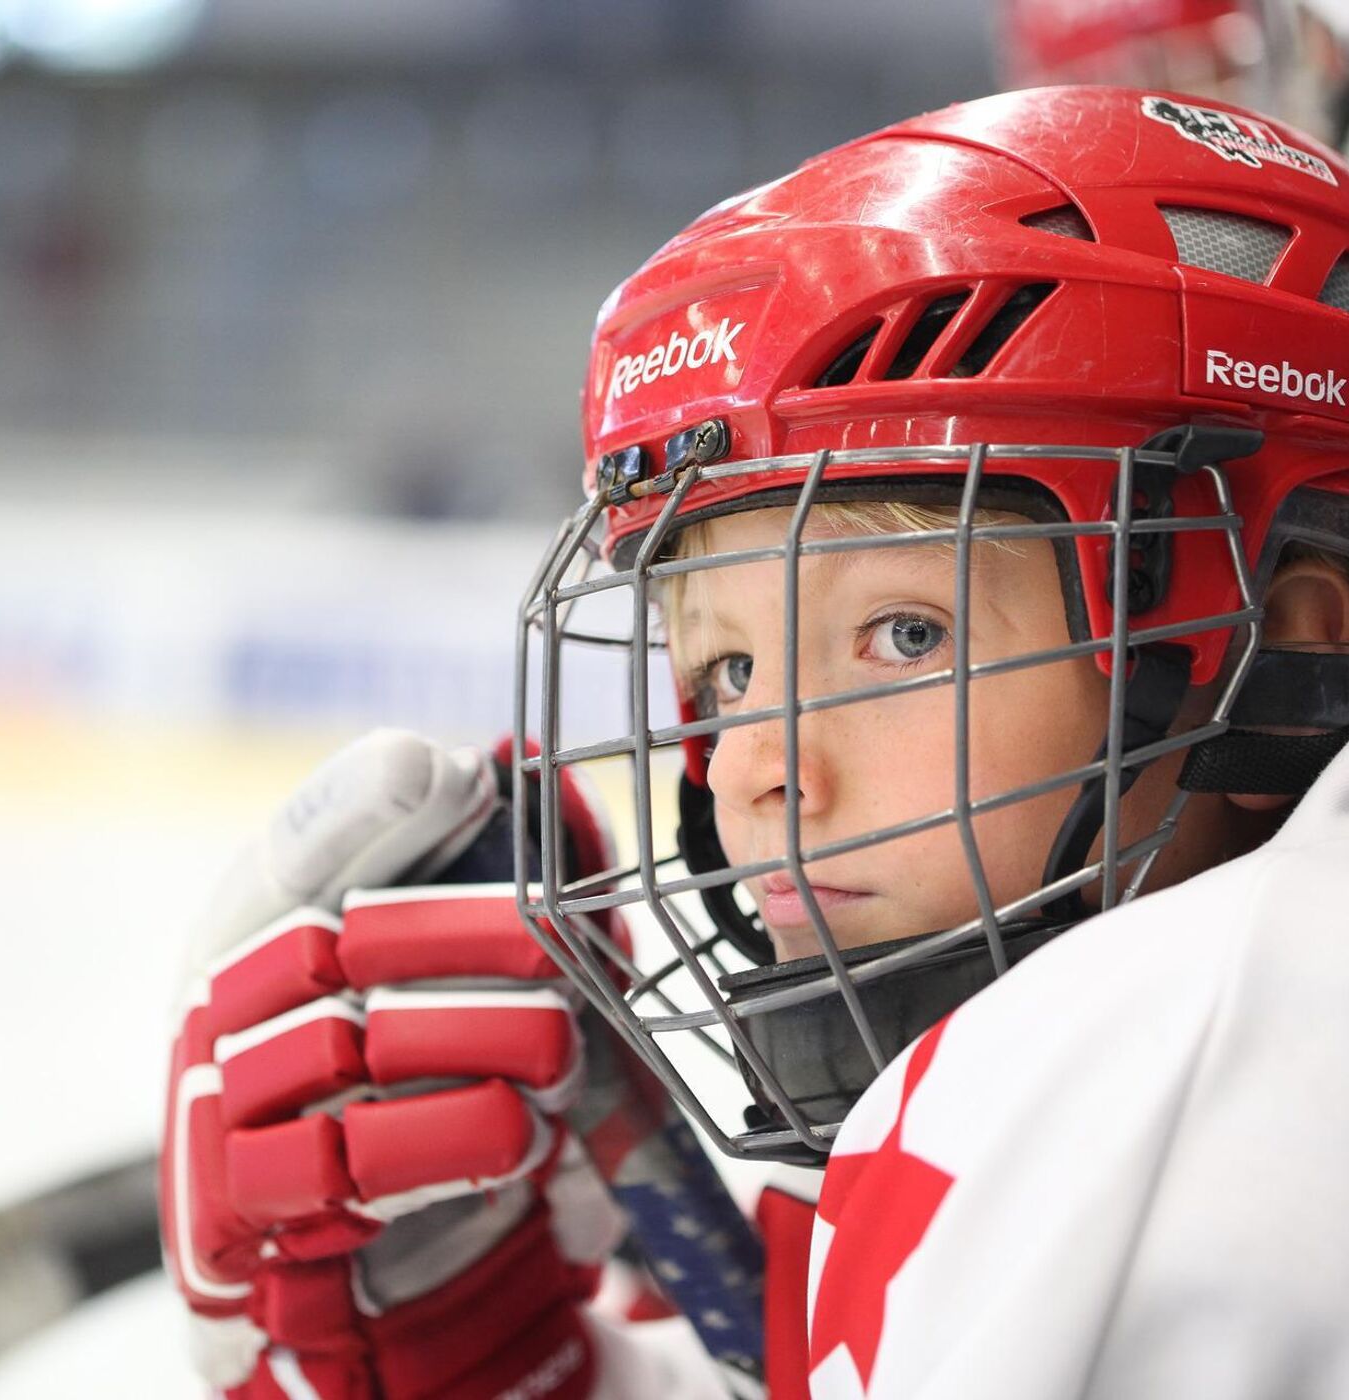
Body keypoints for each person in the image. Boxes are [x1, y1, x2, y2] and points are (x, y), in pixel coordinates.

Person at [162, 85, 1349, 1399]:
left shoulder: (1190, 1085)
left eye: (904, 635)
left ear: (1281, 651)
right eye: (724, 667)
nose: (762, 767)